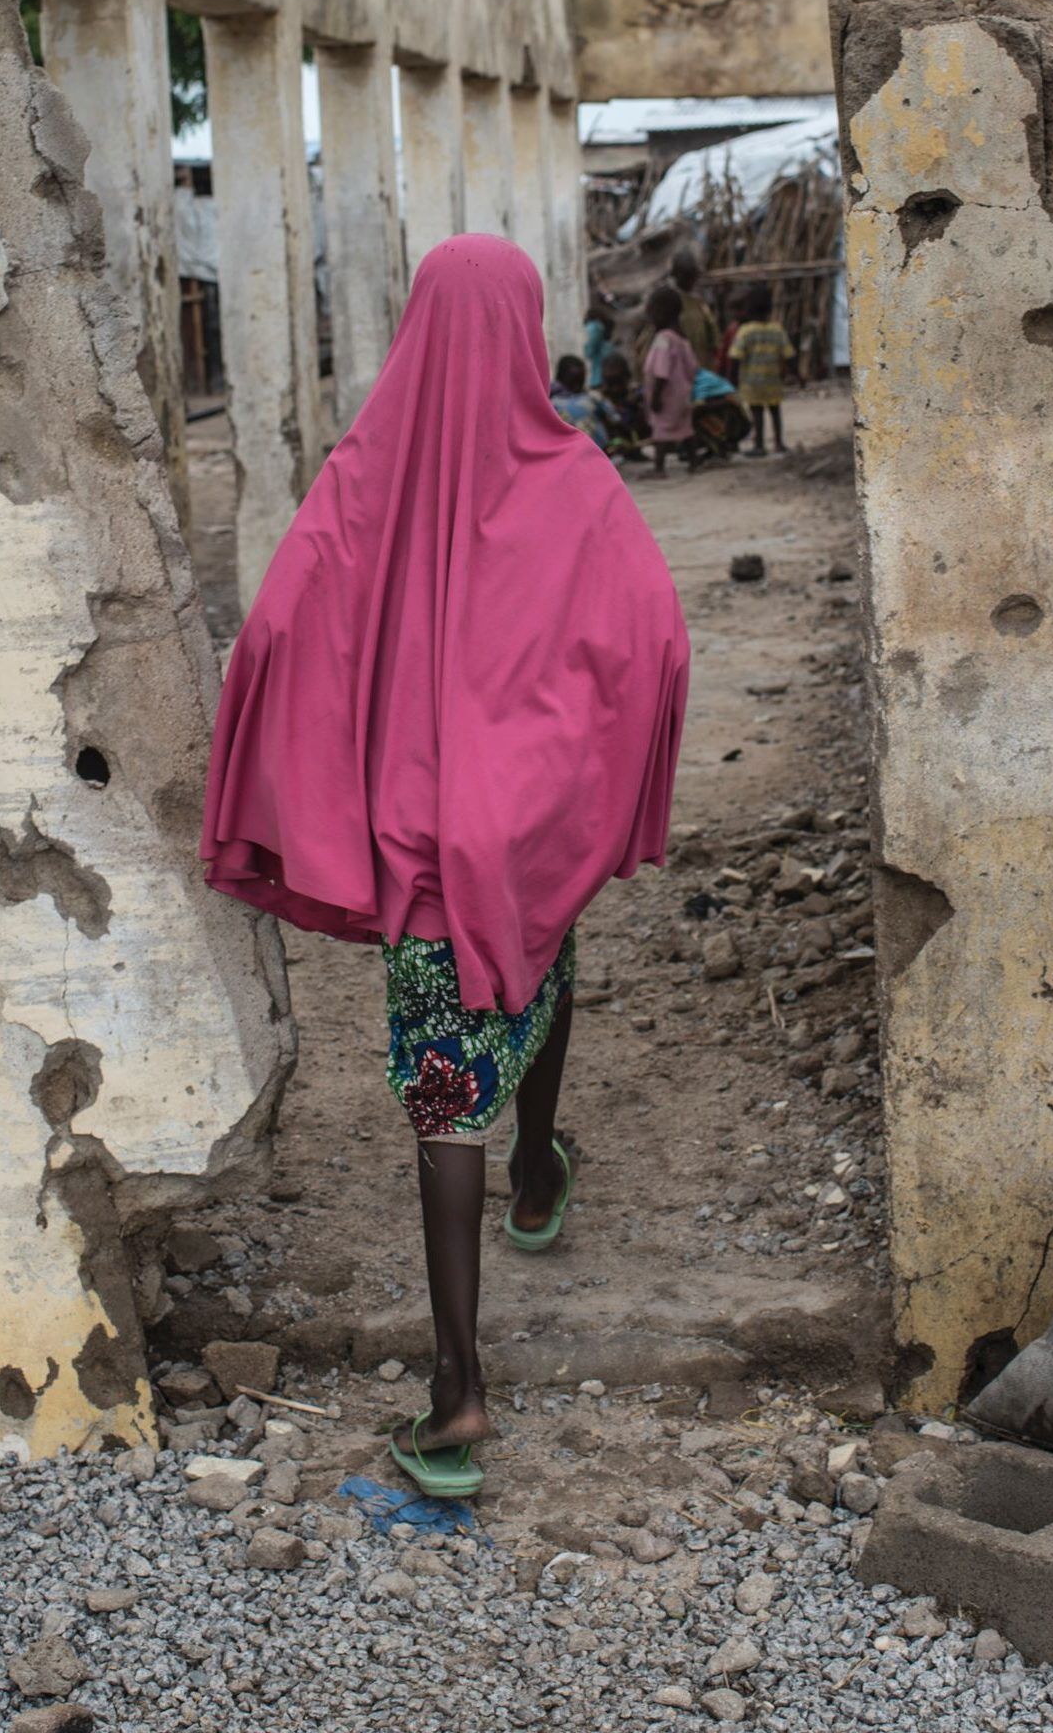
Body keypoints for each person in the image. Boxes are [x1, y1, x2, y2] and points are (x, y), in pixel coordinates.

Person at [201, 237, 688, 1502]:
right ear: (528, 330)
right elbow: (658, 641)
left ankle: (461, 1387)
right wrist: (583, 769)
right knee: (540, 962)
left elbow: (273, 631)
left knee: (439, 1091)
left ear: (417, 319)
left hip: (421, 840)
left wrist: (322, 750)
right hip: (525, 829)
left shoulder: (365, 468)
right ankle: (540, 1173)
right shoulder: (575, 480)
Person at [638, 284, 700, 473]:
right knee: (685, 428)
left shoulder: (664, 339)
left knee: (661, 430)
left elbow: (661, 372)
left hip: (666, 395)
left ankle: (659, 467)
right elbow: (693, 367)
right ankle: (693, 461)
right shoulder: (682, 339)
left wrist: (656, 396)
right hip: (683, 394)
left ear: (662, 312)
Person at [727, 284, 794, 457]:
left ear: (748, 307)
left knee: (757, 413)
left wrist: (732, 380)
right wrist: (798, 376)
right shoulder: (777, 330)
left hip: (752, 382)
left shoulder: (745, 331)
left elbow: (735, 357)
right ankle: (779, 442)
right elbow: (789, 355)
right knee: (775, 411)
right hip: (773, 382)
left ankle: (759, 445)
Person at [667, 254, 722, 382]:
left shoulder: (699, 304)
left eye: (691, 276)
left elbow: (713, 334)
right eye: (686, 276)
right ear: (676, 276)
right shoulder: (669, 301)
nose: (689, 280)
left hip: (700, 366)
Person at [550, 353, 613, 451]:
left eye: (579, 381)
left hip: (579, 451)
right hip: (594, 450)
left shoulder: (550, 401)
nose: (577, 386)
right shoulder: (593, 397)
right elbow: (615, 418)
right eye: (573, 381)